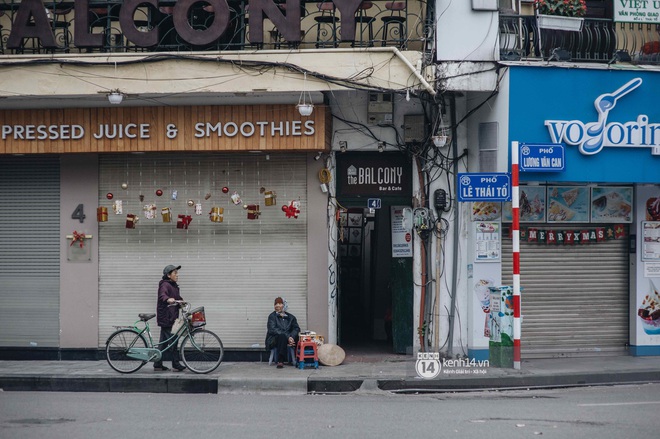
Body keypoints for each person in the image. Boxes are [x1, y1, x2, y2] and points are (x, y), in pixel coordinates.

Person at [154, 264, 186, 372]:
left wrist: (181, 302)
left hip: (171, 317)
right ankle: (176, 364)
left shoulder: (174, 286)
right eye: (175, 273)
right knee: (173, 341)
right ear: (168, 275)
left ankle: (157, 364)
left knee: (163, 342)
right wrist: (168, 299)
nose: (177, 275)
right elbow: (162, 295)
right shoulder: (164, 285)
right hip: (166, 317)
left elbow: (177, 298)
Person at [265, 297, 300, 368]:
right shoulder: (272, 317)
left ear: (284, 305)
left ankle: (298, 359)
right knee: (282, 336)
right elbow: (273, 329)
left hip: (289, 339)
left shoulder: (291, 317)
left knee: (298, 337)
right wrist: (288, 337)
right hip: (274, 339)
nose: (277, 305)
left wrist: (292, 337)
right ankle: (280, 360)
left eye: (280, 303)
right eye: (276, 304)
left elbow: (296, 328)